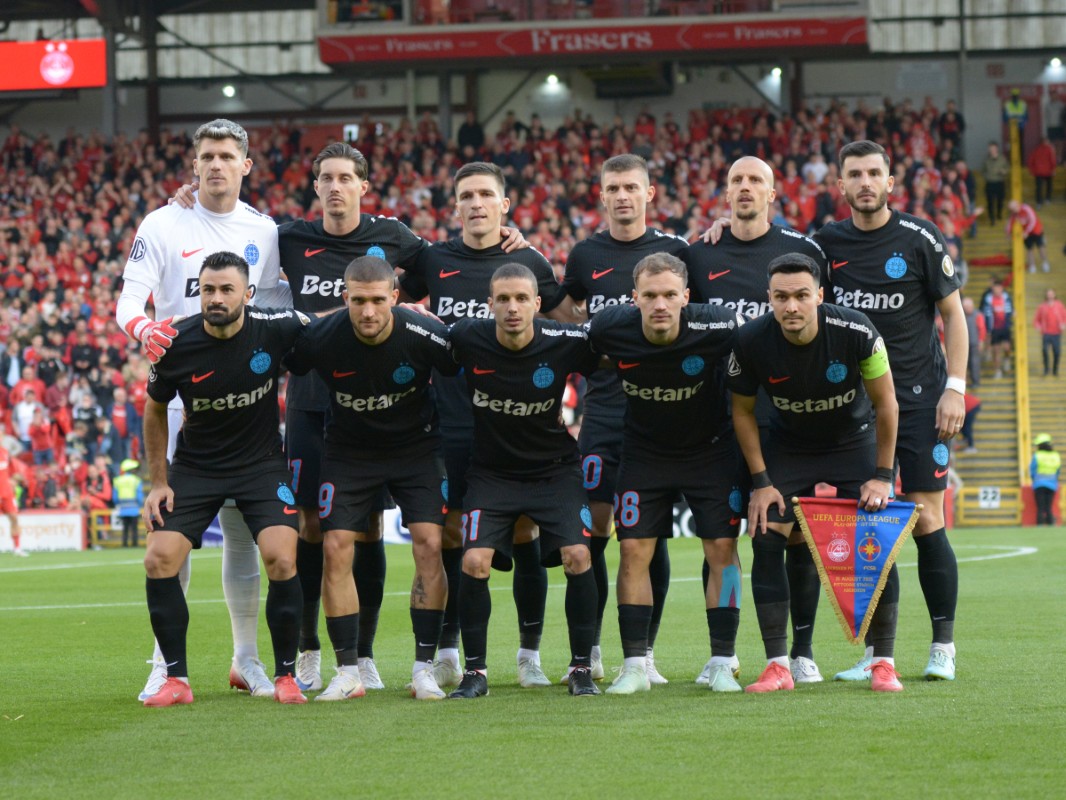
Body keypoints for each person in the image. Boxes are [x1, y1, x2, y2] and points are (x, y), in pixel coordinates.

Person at [117, 118, 283, 701]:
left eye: (226, 155)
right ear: (194, 165)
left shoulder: (264, 231)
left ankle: (247, 660)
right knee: (173, 535)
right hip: (181, 404)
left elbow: (279, 306)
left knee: (244, 537)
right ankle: (167, 664)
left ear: (245, 165)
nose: (215, 165)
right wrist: (145, 329)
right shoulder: (163, 223)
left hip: (245, 408)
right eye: (206, 155)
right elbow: (129, 297)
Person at [398, 162, 579, 690]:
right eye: (466, 196)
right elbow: (397, 307)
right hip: (450, 419)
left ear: (505, 204)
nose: (476, 203)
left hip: (517, 425)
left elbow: (568, 326)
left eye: (486, 195)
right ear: (455, 206)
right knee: (452, 533)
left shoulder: (529, 260)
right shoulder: (434, 258)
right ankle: (451, 649)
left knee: (525, 532)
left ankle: (529, 655)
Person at [815, 141, 966, 683]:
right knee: (870, 526)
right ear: (841, 184)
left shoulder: (920, 237)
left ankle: (943, 646)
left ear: (890, 181)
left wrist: (956, 387)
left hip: (923, 400)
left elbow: (953, 312)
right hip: (860, 406)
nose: (865, 182)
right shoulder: (826, 244)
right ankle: (880, 655)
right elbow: (783, 276)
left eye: (874, 172)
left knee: (927, 518)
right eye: (854, 174)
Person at [682, 155, 829, 686]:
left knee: (793, 538)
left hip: (786, 422)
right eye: (736, 181)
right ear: (724, 195)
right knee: (719, 542)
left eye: (755, 181)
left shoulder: (804, 251)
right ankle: (723, 651)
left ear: (773, 194)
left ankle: (801, 652)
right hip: (720, 420)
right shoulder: (698, 254)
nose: (745, 188)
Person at [140, 251, 309, 707]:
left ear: (248, 294)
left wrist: (394, 310)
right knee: (159, 558)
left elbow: (332, 323)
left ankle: (287, 676)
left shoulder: (275, 327)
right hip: (197, 468)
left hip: (260, 465)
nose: (215, 298)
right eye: (207, 289)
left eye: (226, 289)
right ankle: (175, 679)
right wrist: (159, 482)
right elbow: (154, 408)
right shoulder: (175, 342)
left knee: (281, 557)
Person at [284, 256, 457, 701]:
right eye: (358, 301)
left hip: (416, 450)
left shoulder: (425, 333)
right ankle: (347, 671)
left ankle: (423, 668)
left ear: (395, 298)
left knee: (430, 544)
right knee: (336, 546)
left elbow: (467, 370)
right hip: (348, 451)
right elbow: (271, 361)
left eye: (378, 300)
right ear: (345, 298)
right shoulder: (320, 337)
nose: (368, 311)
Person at [728, 252, 902, 692]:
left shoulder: (857, 329)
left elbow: (887, 404)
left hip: (852, 441)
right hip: (790, 445)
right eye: (781, 297)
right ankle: (777, 666)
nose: (791, 306)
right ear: (768, 298)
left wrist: (883, 474)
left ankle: (883, 662)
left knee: (877, 533)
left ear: (819, 296)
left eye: (802, 295)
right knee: (766, 533)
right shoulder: (749, 341)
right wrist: (762, 483)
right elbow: (743, 413)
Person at [584, 253, 743, 694]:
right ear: (633, 298)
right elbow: (570, 354)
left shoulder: (718, 326)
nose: (660, 303)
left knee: (723, 551)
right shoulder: (608, 327)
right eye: (650, 295)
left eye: (670, 295)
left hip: (710, 453)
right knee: (633, 551)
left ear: (686, 297)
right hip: (643, 454)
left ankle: (722, 660)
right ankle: (634, 664)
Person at [560, 154, 689, 684]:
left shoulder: (677, 251)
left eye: (631, 187)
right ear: (602, 194)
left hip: (659, 412)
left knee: (647, 535)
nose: (622, 196)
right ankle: (586, 652)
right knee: (592, 533)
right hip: (603, 410)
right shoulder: (585, 254)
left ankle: (645, 652)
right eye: (613, 187)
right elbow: (562, 317)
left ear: (649, 193)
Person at [445, 263, 601, 699]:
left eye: (521, 299)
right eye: (503, 299)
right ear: (489, 304)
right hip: (491, 473)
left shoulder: (566, 341)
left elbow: (611, 360)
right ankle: (474, 673)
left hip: (555, 470)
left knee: (578, 556)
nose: (512, 308)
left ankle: (580, 667)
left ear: (537, 304)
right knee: (473, 562)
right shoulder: (465, 338)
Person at [1006, 199, 1050, 274]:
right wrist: (1008, 233)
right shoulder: (1014, 213)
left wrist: (1026, 232)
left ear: (1017, 205)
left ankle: (1045, 263)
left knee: (1040, 247)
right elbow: (1010, 223)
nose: (1013, 211)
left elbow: (1033, 220)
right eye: (1011, 209)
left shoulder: (1026, 208)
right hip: (1026, 233)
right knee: (1029, 249)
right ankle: (1032, 266)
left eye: (1013, 208)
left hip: (1036, 230)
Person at [981, 279, 1013, 379]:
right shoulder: (988, 299)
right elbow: (985, 313)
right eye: (995, 288)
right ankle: (997, 370)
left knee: (1007, 348)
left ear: (1001, 288)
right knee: (996, 351)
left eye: (999, 288)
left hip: (1005, 328)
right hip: (994, 329)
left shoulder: (1006, 298)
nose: (997, 290)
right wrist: (988, 330)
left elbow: (1010, 310)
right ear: (993, 289)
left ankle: (1007, 359)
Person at [1, 444, 27, 556]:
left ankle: (17, 548)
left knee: (14, 519)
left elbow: (11, 471)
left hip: (6, 492)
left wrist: (12, 481)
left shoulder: (5, 451)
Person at [1034, 288, 1066, 378]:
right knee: (1044, 350)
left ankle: (1055, 370)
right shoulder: (1042, 306)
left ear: (1054, 295)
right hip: (1046, 333)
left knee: (1057, 352)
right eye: (1048, 293)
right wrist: (1038, 326)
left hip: (1056, 333)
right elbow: (1037, 319)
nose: (1050, 295)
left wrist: (1063, 324)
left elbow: (1064, 316)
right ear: (1046, 295)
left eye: (1052, 293)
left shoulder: (1059, 305)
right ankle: (1046, 369)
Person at [113, 458, 144, 548]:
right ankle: (135, 544)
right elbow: (139, 495)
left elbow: (115, 497)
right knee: (134, 528)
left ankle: (124, 544)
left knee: (125, 528)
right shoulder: (137, 480)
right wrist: (139, 504)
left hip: (123, 508)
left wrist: (118, 503)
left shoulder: (117, 480)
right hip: (134, 508)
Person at [1030, 434, 1061, 526]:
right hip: (1052, 484)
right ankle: (1050, 524)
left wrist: (1034, 480)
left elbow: (1032, 470)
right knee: (1048, 507)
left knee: (1040, 507)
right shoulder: (1056, 455)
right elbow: (1058, 471)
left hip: (1039, 484)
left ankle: (1040, 525)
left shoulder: (1037, 455)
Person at [981, 142, 1009, 226]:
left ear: (997, 149)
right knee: (990, 201)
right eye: (990, 148)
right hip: (990, 183)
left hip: (999, 182)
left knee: (1000, 200)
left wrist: (1003, 172)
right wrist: (987, 176)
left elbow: (1007, 168)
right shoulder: (986, 160)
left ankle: (999, 214)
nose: (992, 150)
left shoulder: (1002, 159)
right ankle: (991, 218)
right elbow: (983, 170)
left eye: (993, 148)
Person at [962, 296, 986, 388]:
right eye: (966, 307)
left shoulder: (977, 315)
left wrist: (981, 341)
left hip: (974, 343)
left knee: (974, 362)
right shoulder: (962, 315)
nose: (968, 309)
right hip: (964, 343)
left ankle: (975, 381)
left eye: (969, 307)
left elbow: (982, 329)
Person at [1027, 136, 1057, 208]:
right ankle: (1047, 199)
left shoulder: (1036, 149)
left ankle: (1039, 203)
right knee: (1049, 186)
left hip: (1038, 172)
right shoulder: (1050, 149)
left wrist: (1032, 171)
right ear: (1047, 142)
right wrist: (1053, 170)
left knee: (1039, 188)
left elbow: (1030, 161)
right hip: (1048, 172)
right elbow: (1053, 160)